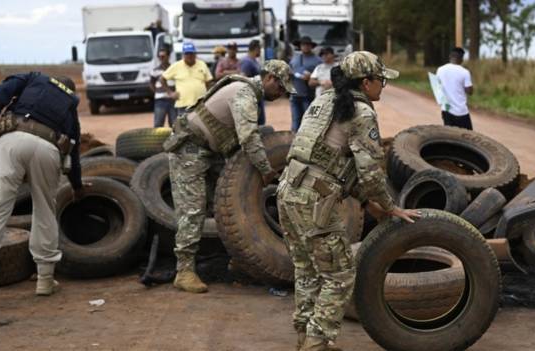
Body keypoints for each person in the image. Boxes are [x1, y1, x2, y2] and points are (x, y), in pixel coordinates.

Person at [276, 52, 421, 350]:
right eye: (381, 80)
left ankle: (305, 337)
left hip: (288, 191)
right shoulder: (362, 112)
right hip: (314, 200)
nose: (383, 86)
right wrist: (389, 206)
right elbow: (369, 171)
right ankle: (316, 344)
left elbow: (329, 159)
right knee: (340, 275)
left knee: (307, 269)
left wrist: (369, 202)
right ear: (365, 83)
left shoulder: (323, 101)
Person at [163, 60, 295, 294]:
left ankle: (237, 260)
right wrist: (265, 169)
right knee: (192, 210)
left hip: (210, 151)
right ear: (270, 79)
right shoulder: (244, 94)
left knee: (226, 204)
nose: (282, 94)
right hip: (190, 149)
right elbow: (249, 138)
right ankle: (184, 271)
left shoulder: (246, 91)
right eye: (281, 88)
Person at [0, 72, 85, 303]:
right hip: (48, 149)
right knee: (44, 211)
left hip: (14, 140)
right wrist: (77, 187)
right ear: (70, 90)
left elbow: (5, 89)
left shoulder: (35, 78)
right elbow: (75, 150)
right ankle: (45, 279)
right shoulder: (71, 104)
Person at [161, 42, 213, 116]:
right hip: (183, 105)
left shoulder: (202, 64)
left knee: (202, 126)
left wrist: (207, 96)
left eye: (191, 53)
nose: (189, 56)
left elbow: (209, 81)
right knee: (184, 126)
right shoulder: (176, 66)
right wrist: (170, 93)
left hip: (200, 104)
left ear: (195, 54)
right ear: (183, 55)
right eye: (187, 53)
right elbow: (162, 79)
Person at [289, 36, 322, 132]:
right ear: (300, 46)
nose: (305, 47)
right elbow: (290, 69)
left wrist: (311, 77)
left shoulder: (317, 61)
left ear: (311, 46)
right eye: (303, 45)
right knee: (295, 122)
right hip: (294, 94)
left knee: (308, 122)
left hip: (308, 96)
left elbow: (321, 77)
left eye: (308, 45)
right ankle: (294, 142)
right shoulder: (295, 58)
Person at [436, 47, 474, 130]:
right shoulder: (464, 72)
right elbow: (470, 91)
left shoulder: (440, 70)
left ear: (450, 56)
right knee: (468, 137)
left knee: (450, 136)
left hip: (446, 109)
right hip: (461, 111)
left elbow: (437, 87)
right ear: (461, 58)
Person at [240, 40, 267, 125]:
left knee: (261, 121)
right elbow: (243, 78)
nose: (260, 51)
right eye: (259, 49)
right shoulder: (247, 61)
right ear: (256, 49)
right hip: (252, 97)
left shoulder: (254, 61)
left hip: (258, 95)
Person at [150, 49, 177, 127]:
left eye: (163, 56)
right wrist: (157, 92)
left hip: (173, 100)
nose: (161, 58)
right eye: (160, 56)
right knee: (158, 123)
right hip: (160, 100)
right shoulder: (155, 70)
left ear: (168, 56)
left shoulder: (174, 69)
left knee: (174, 124)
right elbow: (151, 83)